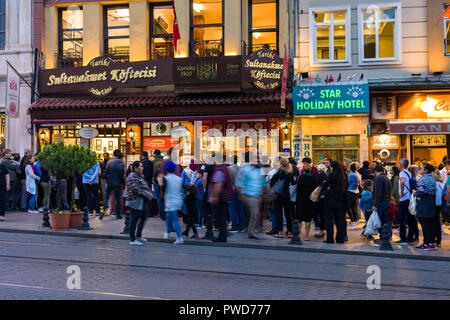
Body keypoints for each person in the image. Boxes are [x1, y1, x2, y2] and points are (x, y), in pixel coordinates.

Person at [236, 156, 267, 240]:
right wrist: (241, 193)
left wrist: (263, 193)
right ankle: (251, 231)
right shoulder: (246, 170)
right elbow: (240, 181)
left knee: (253, 214)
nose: (257, 162)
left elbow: (264, 183)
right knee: (255, 213)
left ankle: (249, 230)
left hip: (257, 196)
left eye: (258, 160)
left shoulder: (260, 171)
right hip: (248, 195)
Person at [208, 155, 233, 242]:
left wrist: (214, 197)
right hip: (224, 196)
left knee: (220, 217)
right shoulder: (225, 168)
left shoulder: (219, 170)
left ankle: (222, 236)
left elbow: (218, 184)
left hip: (220, 197)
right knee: (221, 216)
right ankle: (223, 234)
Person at [158, 161, 184, 245]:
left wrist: (160, 182)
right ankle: (167, 232)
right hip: (178, 200)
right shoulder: (179, 179)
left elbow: (162, 190)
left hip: (170, 201)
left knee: (174, 220)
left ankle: (179, 238)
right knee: (168, 216)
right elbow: (183, 190)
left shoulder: (166, 179)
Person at [125, 161, 150, 246]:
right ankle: (132, 239)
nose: (142, 168)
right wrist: (145, 193)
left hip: (141, 201)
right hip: (134, 201)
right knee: (134, 220)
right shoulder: (132, 176)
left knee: (143, 218)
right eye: (141, 166)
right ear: (135, 168)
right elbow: (135, 189)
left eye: (142, 166)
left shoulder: (140, 176)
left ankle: (138, 236)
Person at [270, 158, 295, 238]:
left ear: (281, 164)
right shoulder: (290, 172)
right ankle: (290, 232)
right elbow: (293, 183)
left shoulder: (279, 172)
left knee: (279, 214)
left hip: (279, 195)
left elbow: (272, 181)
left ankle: (280, 232)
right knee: (288, 214)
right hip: (287, 195)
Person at [322, 161, 347, 243]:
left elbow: (325, 185)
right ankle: (340, 239)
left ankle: (330, 238)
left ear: (332, 167)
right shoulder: (343, 176)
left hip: (330, 200)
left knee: (329, 220)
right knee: (340, 221)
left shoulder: (332, 175)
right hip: (340, 200)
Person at [395, 159, 418, 245]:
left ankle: (403, 239)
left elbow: (402, 182)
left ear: (402, 164)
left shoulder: (402, 173)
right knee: (411, 219)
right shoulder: (409, 173)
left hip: (404, 199)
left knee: (401, 219)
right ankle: (410, 239)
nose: (398, 164)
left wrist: (402, 193)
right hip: (410, 199)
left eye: (399, 163)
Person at [414, 163, 437, 251]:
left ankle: (426, 243)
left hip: (424, 204)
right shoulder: (432, 178)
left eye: (422, 168)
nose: (420, 169)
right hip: (432, 203)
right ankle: (432, 243)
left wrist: (415, 193)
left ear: (426, 170)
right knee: (431, 224)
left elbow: (421, 192)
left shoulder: (422, 178)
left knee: (425, 224)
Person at [296, 158, 317, 241]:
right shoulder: (313, 179)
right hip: (309, 201)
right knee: (308, 219)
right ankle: (307, 236)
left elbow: (298, 190)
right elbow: (314, 190)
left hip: (300, 200)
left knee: (300, 219)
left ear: (303, 170)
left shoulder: (301, 178)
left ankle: (298, 234)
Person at [100, 150, 125, 220]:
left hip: (110, 182)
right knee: (118, 199)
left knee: (107, 197)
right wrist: (122, 183)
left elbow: (105, 172)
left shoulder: (109, 162)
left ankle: (104, 211)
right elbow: (123, 175)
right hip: (118, 183)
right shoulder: (122, 163)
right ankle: (118, 214)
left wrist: (109, 177)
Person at [372, 165, 392, 242]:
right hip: (386, 201)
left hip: (380, 202)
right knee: (385, 220)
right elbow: (389, 191)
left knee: (380, 220)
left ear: (376, 172)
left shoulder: (378, 178)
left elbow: (378, 192)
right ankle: (386, 236)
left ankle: (382, 237)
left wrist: (375, 204)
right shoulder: (387, 178)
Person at [229, 155, 245, 233]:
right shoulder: (240, 168)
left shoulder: (230, 168)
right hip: (240, 189)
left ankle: (234, 226)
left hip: (233, 189)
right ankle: (241, 226)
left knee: (232, 208)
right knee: (240, 208)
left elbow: (229, 179)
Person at [313, 164, 327, 238]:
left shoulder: (316, 177)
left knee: (315, 213)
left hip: (317, 198)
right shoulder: (326, 177)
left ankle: (321, 229)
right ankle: (323, 229)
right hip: (324, 198)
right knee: (323, 214)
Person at [432, 169, 443, 248]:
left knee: (433, 223)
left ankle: (434, 239)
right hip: (438, 205)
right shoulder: (439, 183)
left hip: (434, 205)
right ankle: (438, 240)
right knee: (437, 223)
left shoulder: (435, 183)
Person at [0, 156, 10, 221]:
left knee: (2, 200)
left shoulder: (2, 166)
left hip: (2, 185)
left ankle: (1, 215)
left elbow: (7, 175)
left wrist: (8, 184)